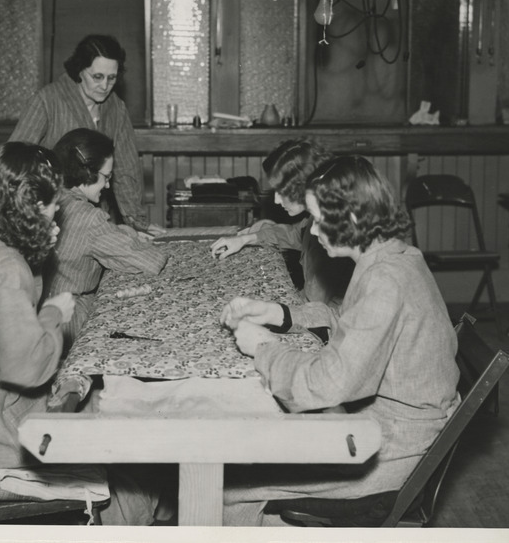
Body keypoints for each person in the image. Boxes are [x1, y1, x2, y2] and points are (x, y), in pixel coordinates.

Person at [0, 142, 160, 525]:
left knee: (100, 406)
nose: (56, 214)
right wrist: (53, 314)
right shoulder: (6, 265)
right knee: (124, 440)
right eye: (52, 205)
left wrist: (33, 258)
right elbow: (29, 369)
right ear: (30, 206)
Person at [219, 155, 460, 527]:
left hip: (389, 451)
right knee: (247, 451)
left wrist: (263, 347)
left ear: (350, 218)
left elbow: (327, 384)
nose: (313, 231)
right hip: (384, 428)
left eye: (318, 219)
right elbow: (350, 323)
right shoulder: (394, 256)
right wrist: (278, 313)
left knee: (226, 482)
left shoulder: (384, 280)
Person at [9, 33, 164, 235]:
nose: (105, 86)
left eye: (112, 78)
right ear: (79, 70)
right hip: (53, 218)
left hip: (97, 217)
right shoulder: (48, 101)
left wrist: (135, 220)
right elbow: (13, 161)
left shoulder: (116, 108)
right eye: (97, 77)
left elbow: (126, 170)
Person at [48, 128, 168, 348]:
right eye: (106, 177)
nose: (108, 185)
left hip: (44, 309)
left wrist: (119, 232)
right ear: (87, 173)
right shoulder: (88, 218)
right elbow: (152, 261)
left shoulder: (52, 198)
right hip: (68, 317)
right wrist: (130, 235)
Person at [210, 139, 354, 306]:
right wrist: (245, 239)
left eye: (281, 191)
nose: (276, 200)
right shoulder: (317, 218)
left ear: (303, 187)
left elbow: (313, 306)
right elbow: (295, 234)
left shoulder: (332, 236)